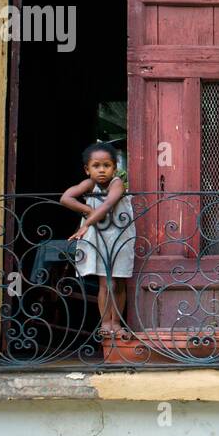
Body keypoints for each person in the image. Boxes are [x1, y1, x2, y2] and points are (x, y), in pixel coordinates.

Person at [60, 142, 136, 335]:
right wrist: (88, 210)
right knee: (105, 283)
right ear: (87, 169)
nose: (101, 170)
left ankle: (117, 323)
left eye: (106, 165)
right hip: (100, 238)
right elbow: (65, 198)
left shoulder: (117, 183)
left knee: (118, 282)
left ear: (115, 168)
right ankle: (105, 324)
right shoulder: (90, 184)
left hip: (119, 238)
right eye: (96, 166)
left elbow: (107, 205)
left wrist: (86, 223)